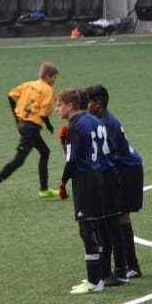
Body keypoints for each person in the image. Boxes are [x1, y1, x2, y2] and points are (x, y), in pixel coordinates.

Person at [56, 86, 120, 292]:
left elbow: (71, 160)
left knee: (86, 229)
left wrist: (62, 181)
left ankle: (94, 281)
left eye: (59, 105)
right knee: (96, 227)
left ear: (70, 105)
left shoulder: (75, 126)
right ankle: (99, 275)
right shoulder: (94, 120)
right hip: (100, 175)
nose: (56, 109)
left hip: (85, 179)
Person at [84, 84, 142, 281]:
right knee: (117, 217)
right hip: (121, 167)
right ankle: (125, 265)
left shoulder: (106, 123)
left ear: (98, 103)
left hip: (127, 169)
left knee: (120, 216)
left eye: (88, 102)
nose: (85, 106)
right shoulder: (101, 120)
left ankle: (131, 265)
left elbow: (107, 153)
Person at [0, 61, 58, 204]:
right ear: (48, 76)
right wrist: (49, 125)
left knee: (45, 152)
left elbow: (10, 96)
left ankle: (44, 189)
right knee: (18, 161)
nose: (54, 81)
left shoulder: (28, 84)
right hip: (31, 128)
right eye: (54, 77)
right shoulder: (48, 90)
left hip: (23, 124)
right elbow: (43, 113)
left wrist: (16, 118)